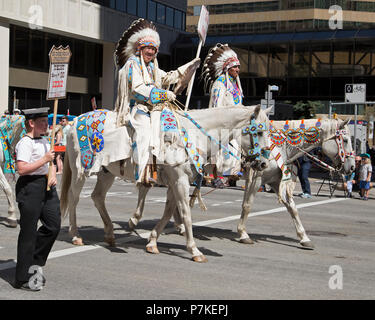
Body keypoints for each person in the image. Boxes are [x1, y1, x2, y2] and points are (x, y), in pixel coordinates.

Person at [114, 18, 200, 186]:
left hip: (154, 109)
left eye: (154, 49)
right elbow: (137, 89)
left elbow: (168, 77)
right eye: (148, 48)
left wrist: (189, 67)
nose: (151, 52)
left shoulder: (152, 67)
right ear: (140, 49)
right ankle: (144, 171)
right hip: (137, 109)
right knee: (145, 131)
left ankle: (168, 166)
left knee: (174, 126)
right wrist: (163, 95)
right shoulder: (132, 65)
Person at [13, 107, 61, 291]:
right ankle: (22, 278)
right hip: (29, 187)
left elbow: (50, 164)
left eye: (46, 120)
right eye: (42, 121)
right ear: (31, 123)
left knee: (53, 225)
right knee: (28, 233)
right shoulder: (25, 143)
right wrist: (45, 159)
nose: (46, 124)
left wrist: (53, 173)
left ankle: (33, 261)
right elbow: (22, 169)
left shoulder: (44, 141)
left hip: (46, 185)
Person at [201, 43, 244, 187]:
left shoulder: (235, 84)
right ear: (227, 68)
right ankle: (217, 176)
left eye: (238, 67)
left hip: (234, 125)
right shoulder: (220, 84)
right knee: (219, 151)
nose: (237, 70)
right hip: (222, 124)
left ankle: (230, 175)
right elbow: (216, 106)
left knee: (234, 149)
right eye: (234, 67)